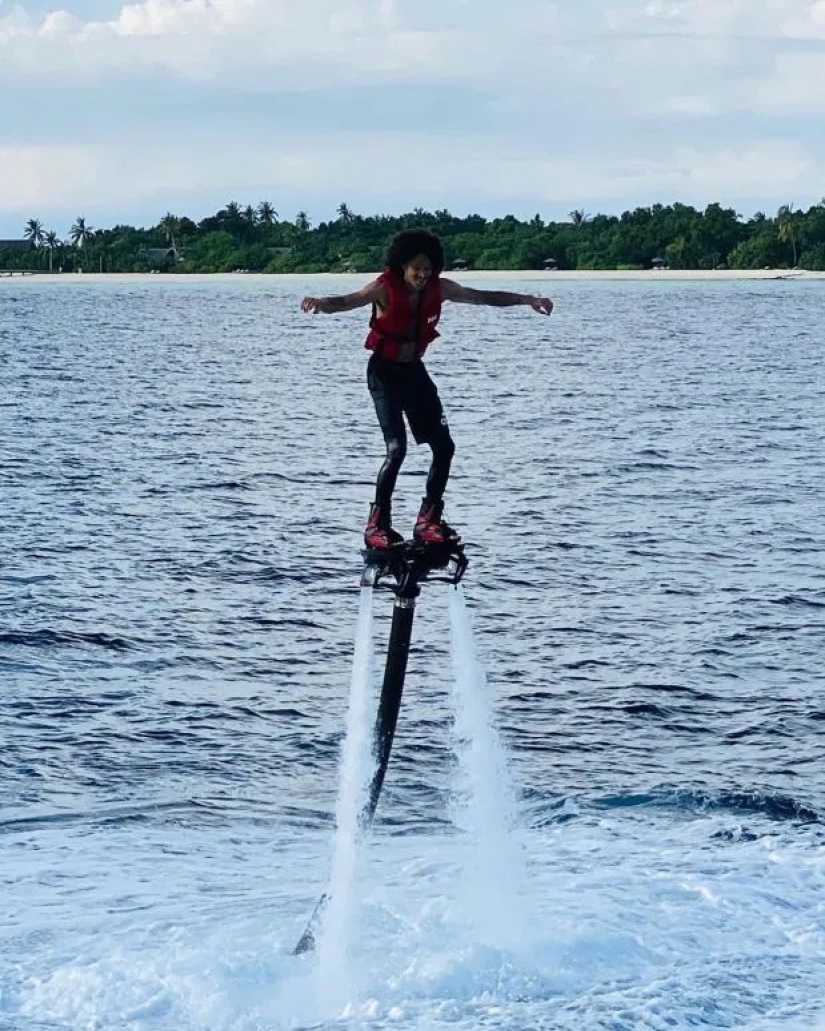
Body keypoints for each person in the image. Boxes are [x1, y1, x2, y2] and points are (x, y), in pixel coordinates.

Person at [301, 229, 553, 549]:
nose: (422, 274)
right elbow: (348, 301)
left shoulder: (441, 288)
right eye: (416, 268)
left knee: (444, 447)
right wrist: (320, 303)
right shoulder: (383, 288)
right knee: (397, 450)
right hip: (384, 375)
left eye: (428, 268)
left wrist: (528, 300)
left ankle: (428, 519)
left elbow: (484, 297)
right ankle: (377, 525)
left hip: (414, 373)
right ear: (402, 266)